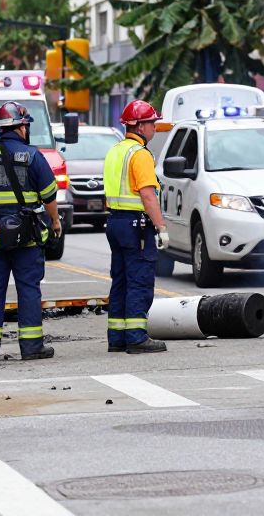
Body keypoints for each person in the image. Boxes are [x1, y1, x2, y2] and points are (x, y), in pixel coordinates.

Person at [0, 101, 62, 362]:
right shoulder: (32, 155)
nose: (27, 128)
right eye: (26, 124)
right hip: (27, 239)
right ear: (20, 126)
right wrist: (54, 221)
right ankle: (31, 348)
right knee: (29, 288)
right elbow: (49, 194)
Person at [103, 99, 170, 354]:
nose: (154, 127)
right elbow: (148, 194)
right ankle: (136, 337)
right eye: (152, 123)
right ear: (140, 126)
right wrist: (161, 227)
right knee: (139, 281)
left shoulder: (116, 151)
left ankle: (117, 337)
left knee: (120, 281)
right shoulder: (140, 155)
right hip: (136, 226)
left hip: (116, 222)